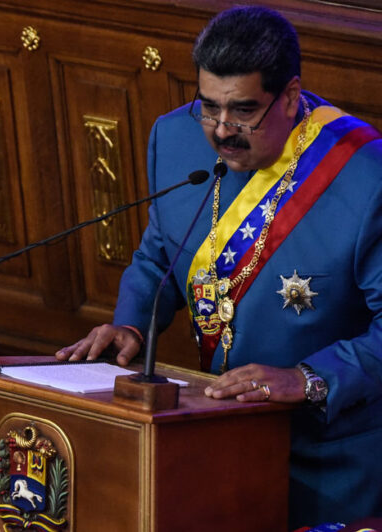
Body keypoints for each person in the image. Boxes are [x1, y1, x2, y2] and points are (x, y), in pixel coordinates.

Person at [56, 6, 382, 528]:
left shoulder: (366, 178)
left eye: (243, 111)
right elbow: (160, 254)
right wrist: (132, 322)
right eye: (208, 107)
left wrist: (310, 379)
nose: (221, 131)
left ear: (292, 96)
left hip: (328, 458)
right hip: (216, 435)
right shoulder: (174, 137)